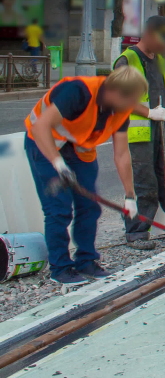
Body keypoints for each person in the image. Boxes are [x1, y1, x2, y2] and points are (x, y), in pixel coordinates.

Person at [24, 67, 148, 284]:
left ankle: (86, 261)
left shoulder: (121, 108)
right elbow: (41, 126)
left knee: (89, 206)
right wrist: (58, 164)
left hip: (79, 148)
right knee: (58, 209)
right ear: (114, 91)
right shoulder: (78, 91)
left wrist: (130, 195)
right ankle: (60, 268)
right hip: (44, 144)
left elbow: (121, 155)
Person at [113, 16, 165, 250]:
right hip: (138, 134)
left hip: (161, 130)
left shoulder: (158, 59)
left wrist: (162, 119)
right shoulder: (127, 60)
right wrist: (148, 113)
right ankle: (137, 232)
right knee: (144, 183)